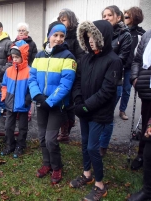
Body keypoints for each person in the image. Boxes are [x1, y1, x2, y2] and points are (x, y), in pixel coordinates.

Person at [70, 20, 122, 201]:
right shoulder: (85, 58)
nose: (90, 41)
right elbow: (77, 81)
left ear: (103, 37)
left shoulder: (114, 61)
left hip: (99, 113)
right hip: (84, 110)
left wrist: (86, 106)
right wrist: (78, 101)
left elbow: (107, 90)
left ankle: (100, 185)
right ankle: (87, 174)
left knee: (93, 147)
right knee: (84, 143)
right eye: (88, 37)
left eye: (94, 36)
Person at [29, 22, 76, 184]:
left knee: (50, 139)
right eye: (55, 35)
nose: (58, 39)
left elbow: (66, 84)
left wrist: (50, 101)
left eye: (62, 36)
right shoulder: (40, 55)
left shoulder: (68, 57)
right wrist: (37, 96)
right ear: (49, 35)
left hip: (57, 105)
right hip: (41, 103)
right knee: (42, 137)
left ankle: (57, 167)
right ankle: (46, 164)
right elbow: (32, 78)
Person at [99, 5, 132, 156]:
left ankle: (103, 146)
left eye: (109, 15)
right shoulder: (101, 34)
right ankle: (95, 142)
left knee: (107, 115)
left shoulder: (125, 35)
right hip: (98, 79)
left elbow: (122, 59)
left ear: (118, 17)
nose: (105, 18)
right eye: (104, 16)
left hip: (114, 81)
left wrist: (103, 65)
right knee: (97, 113)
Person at [128, 29, 151, 201]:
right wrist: (135, 77)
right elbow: (137, 59)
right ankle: (142, 155)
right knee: (147, 130)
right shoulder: (148, 35)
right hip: (147, 89)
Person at [57, 8, 85, 141]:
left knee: (68, 104)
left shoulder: (78, 35)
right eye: (60, 20)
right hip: (58, 73)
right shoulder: (59, 34)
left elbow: (81, 57)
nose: (61, 22)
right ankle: (64, 131)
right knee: (62, 102)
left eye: (64, 20)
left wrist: (70, 67)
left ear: (71, 20)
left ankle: (66, 130)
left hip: (72, 73)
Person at [0, 40, 31, 158]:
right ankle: (10, 144)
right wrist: (4, 96)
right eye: (13, 57)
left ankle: (20, 145)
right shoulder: (8, 71)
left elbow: (32, 87)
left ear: (23, 56)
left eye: (17, 57)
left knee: (23, 127)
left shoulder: (29, 71)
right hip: (10, 103)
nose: (15, 59)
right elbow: (4, 85)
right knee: (8, 126)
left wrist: (28, 98)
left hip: (23, 104)